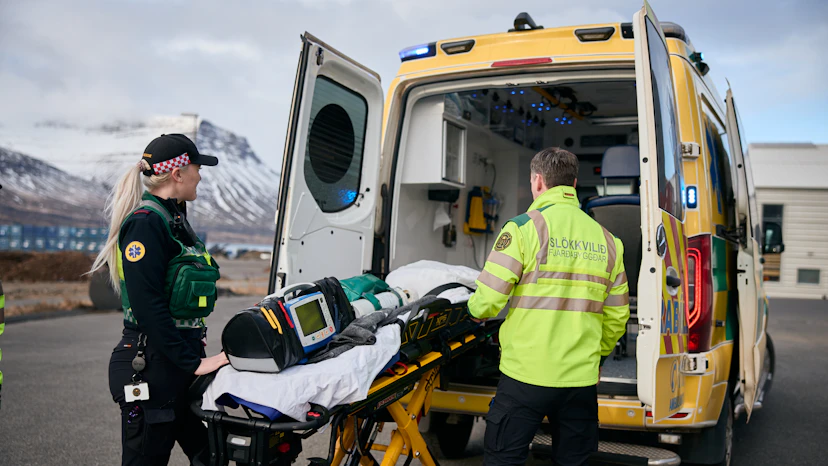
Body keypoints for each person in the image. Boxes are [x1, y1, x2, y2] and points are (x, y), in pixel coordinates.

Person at [468, 147, 630, 466]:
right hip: (580, 380)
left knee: (504, 459)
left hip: (524, 375)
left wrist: (472, 313)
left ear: (538, 181)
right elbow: (617, 316)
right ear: (574, 183)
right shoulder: (610, 242)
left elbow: (487, 303)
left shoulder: (522, 229)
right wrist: (598, 357)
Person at [90, 134, 229, 466]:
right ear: (178, 173)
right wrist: (194, 363)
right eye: (197, 168)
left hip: (175, 364)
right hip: (151, 366)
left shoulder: (174, 220)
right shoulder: (146, 224)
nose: (201, 176)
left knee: (212, 455)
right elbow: (146, 304)